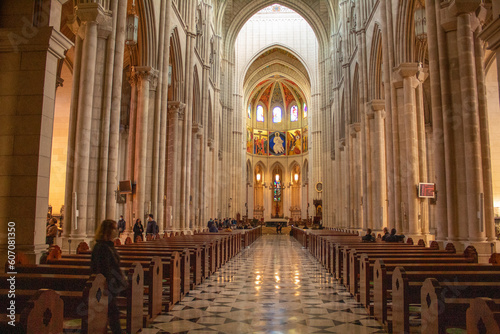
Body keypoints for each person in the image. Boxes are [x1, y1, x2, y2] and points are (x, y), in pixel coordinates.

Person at [91, 220, 127, 334]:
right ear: (108, 231)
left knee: (112, 312)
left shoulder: (107, 245)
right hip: (106, 287)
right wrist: (110, 286)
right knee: (113, 313)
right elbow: (104, 269)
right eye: (114, 229)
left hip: (109, 286)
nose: (116, 231)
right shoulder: (102, 247)